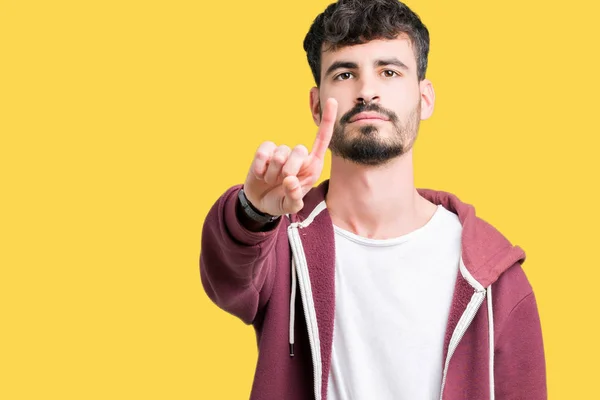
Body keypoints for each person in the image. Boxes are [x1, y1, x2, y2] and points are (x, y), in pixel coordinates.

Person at [199, 0, 547, 398]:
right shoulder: (280, 243)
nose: (367, 91)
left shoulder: (493, 276)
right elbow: (226, 282)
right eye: (345, 73)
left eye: (389, 71)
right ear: (316, 105)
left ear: (425, 98)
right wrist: (254, 212)